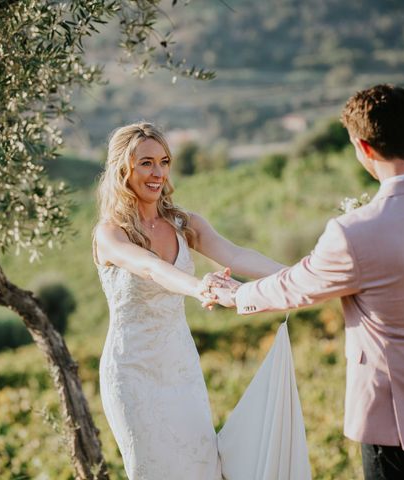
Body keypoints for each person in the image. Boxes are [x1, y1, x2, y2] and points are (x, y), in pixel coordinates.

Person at [208, 84, 404, 479]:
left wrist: (235, 295)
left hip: (400, 425)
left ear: (364, 148)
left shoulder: (355, 232)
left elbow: (295, 285)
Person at [92, 122, 288, 479]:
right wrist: (200, 287)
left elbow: (237, 255)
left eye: (164, 162)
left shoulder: (185, 223)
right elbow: (150, 268)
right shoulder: (110, 233)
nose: (158, 173)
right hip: (132, 374)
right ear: (124, 168)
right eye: (146, 163)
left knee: (201, 466)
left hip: (181, 369)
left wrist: (299, 275)